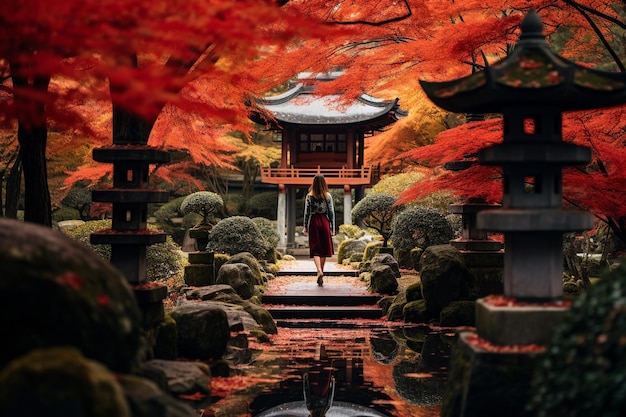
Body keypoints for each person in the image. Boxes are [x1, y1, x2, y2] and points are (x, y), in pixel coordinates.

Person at [303, 174, 335, 286]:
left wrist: (305, 226)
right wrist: (332, 227)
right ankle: (322, 270)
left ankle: (319, 271)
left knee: (315, 247)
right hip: (324, 221)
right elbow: (331, 212)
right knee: (324, 248)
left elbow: (306, 213)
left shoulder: (309, 196)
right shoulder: (327, 196)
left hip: (314, 221)